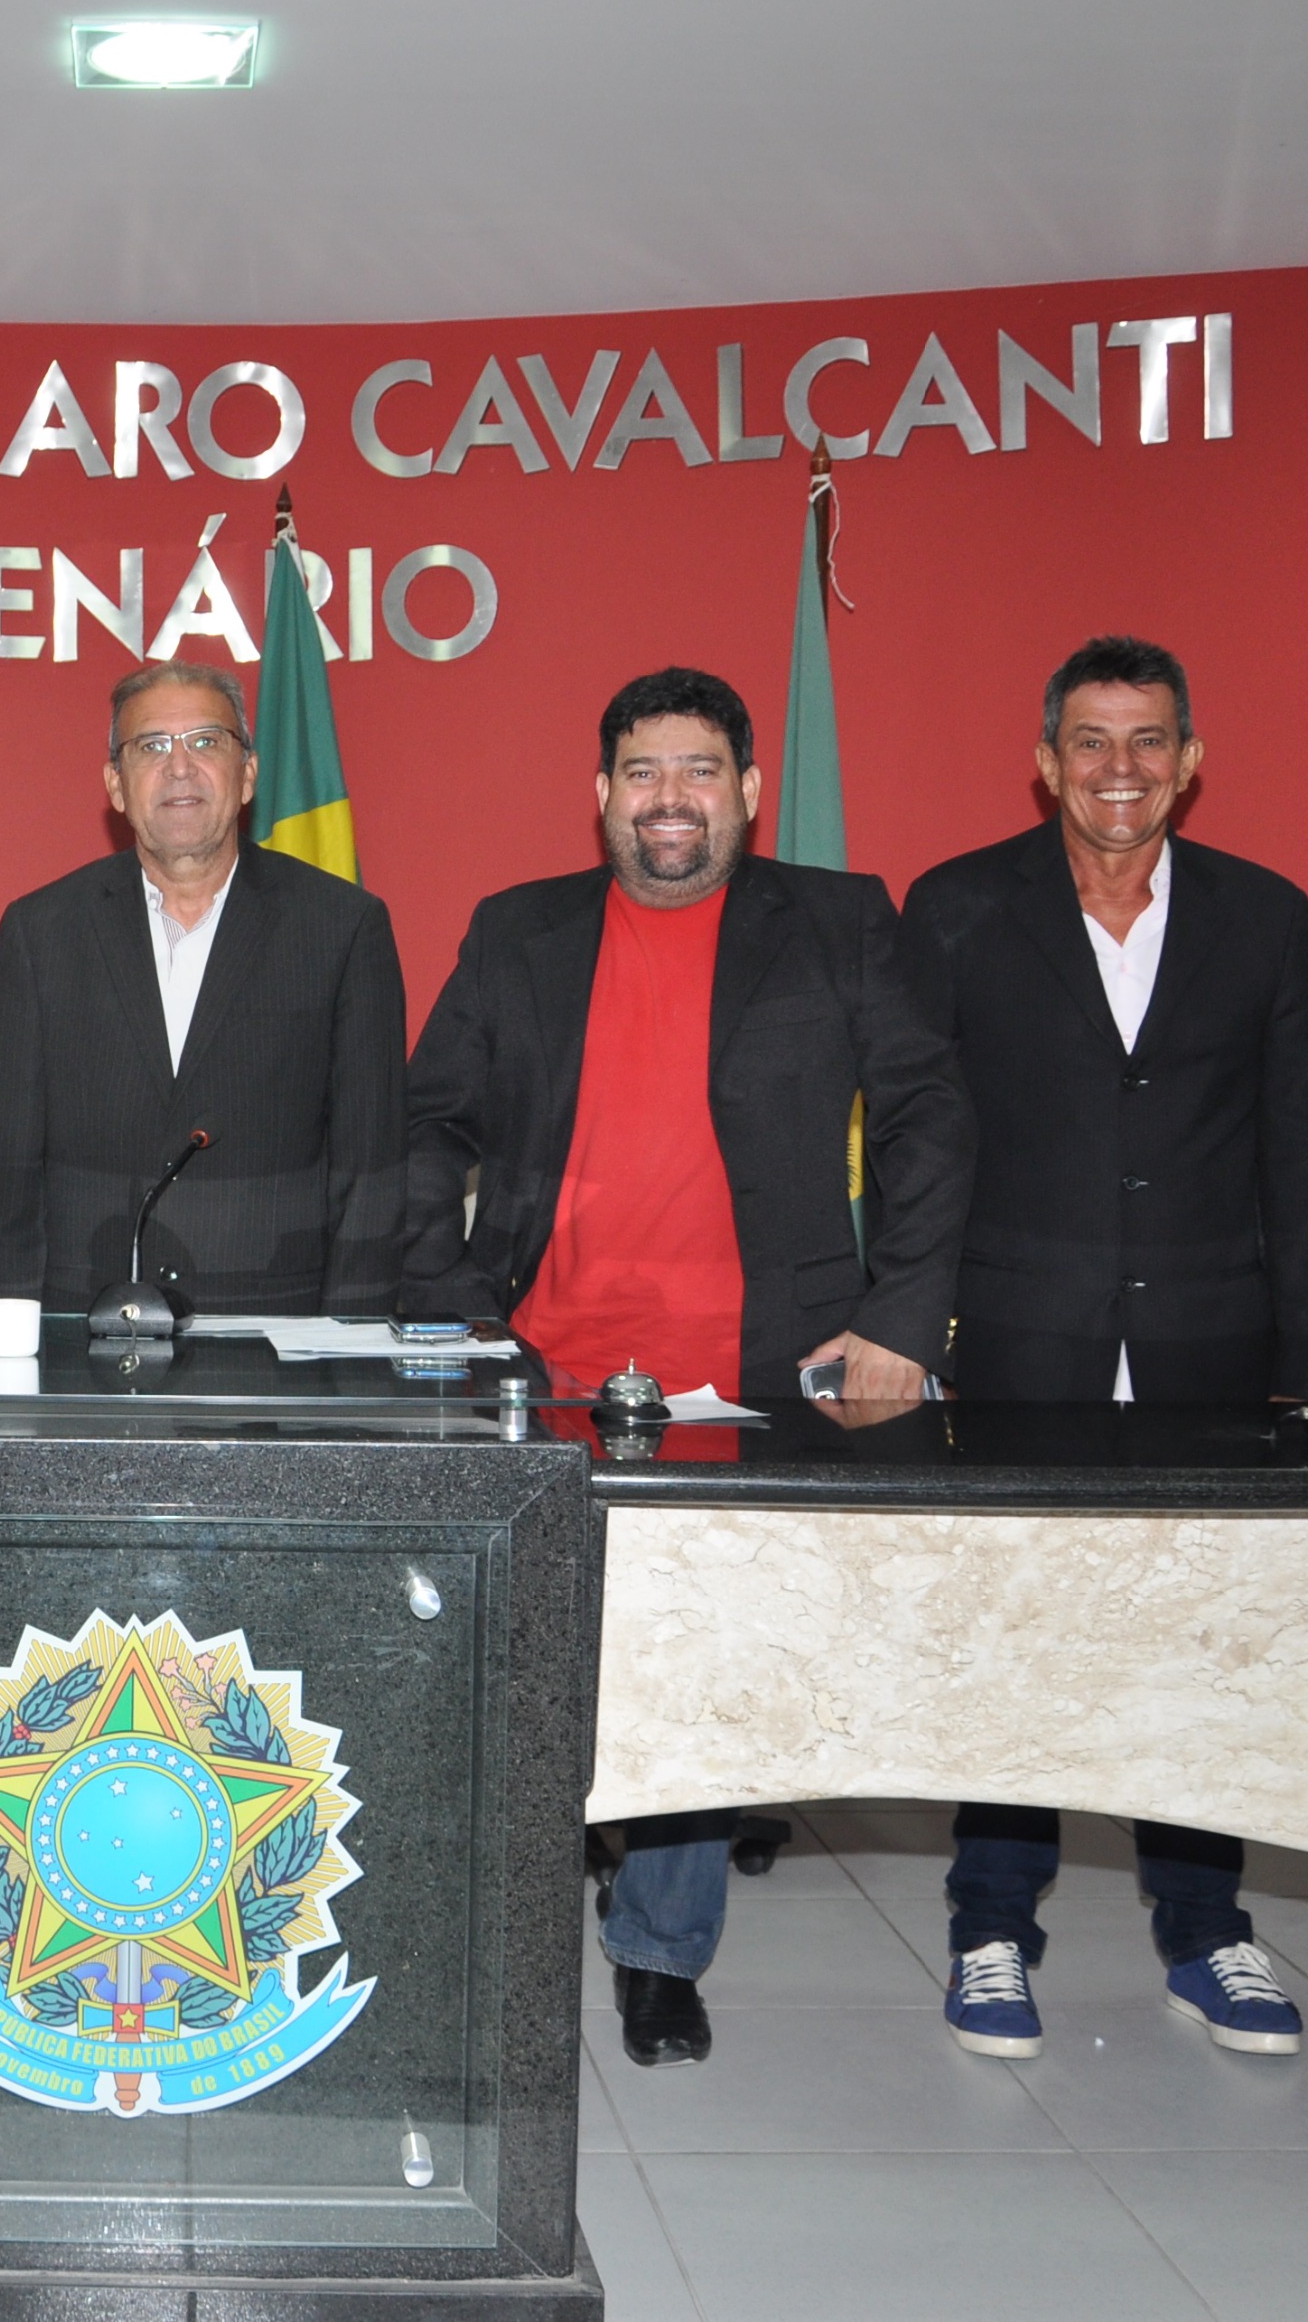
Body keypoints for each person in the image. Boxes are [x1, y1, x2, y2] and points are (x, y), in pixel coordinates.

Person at [402, 666, 972, 2069]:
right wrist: (449, 1305)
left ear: (750, 791)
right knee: (529, 1660)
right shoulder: (519, 928)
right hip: (544, 1363)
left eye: (700, 770)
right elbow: (427, 1123)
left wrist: (903, 1319)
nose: (671, 797)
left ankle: (660, 1947)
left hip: (753, 1369)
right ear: (600, 793)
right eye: (643, 771)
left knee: (699, 1664)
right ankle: (509, 1918)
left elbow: (926, 1112)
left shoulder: (838, 920)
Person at [898, 635, 1308, 2062]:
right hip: (1016, 1339)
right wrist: (908, 1329)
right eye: (1090, 740)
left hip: (1209, 1345)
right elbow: (919, 1137)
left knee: (1197, 1649)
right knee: (1013, 1642)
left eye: (1148, 739)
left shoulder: (1266, 916)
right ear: (1046, 761)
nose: (1120, 767)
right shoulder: (957, 906)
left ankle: (1206, 1931)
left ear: (1189, 760)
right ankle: (989, 1930)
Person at [0, 662, 407, 1315]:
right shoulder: (41, 932)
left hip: (273, 1332)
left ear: (248, 774)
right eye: (151, 746)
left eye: (206, 741)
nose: (179, 767)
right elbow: (6, 1178)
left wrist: (350, 1350)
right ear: (116, 785)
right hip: (83, 1328)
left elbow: (370, 1177)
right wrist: (8, 1349)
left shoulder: (342, 928)